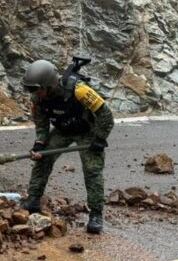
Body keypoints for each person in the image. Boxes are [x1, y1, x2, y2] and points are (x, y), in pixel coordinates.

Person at [20, 59, 114, 234]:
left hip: (87, 131)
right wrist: (40, 144)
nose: (34, 94)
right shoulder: (38, 98)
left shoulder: (79, 90)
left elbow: (106, 115)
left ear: (49, 85)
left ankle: (95, 214)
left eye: (37, 90)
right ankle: (33, 200)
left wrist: (100, 138)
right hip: (63, 130)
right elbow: (41, 124)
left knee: (92, 170)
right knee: (43, 160)